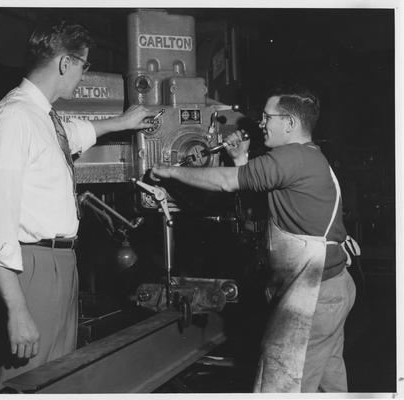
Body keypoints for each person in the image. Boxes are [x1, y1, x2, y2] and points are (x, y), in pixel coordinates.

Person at [0, 19, 154, 393]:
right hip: (28, 270)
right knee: (23, 381)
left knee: (55, 380)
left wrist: (123, 121)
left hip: (58, 265)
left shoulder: (42, 117)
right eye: (84, 65)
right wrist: (17, 309)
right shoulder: (13, 119)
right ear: (65, 64)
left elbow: (70, 136)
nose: (82, 74)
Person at [151, 84, 356, 393]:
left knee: (280, 386)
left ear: (289, 123)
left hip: (312, 298)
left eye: (266, 117)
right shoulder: (308, 157)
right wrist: (241, 158)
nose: (261, 124)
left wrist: (169, 172)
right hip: (329, 289)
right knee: (327, 386)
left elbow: (225, 183)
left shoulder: (292, 158)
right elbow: (260, 193)